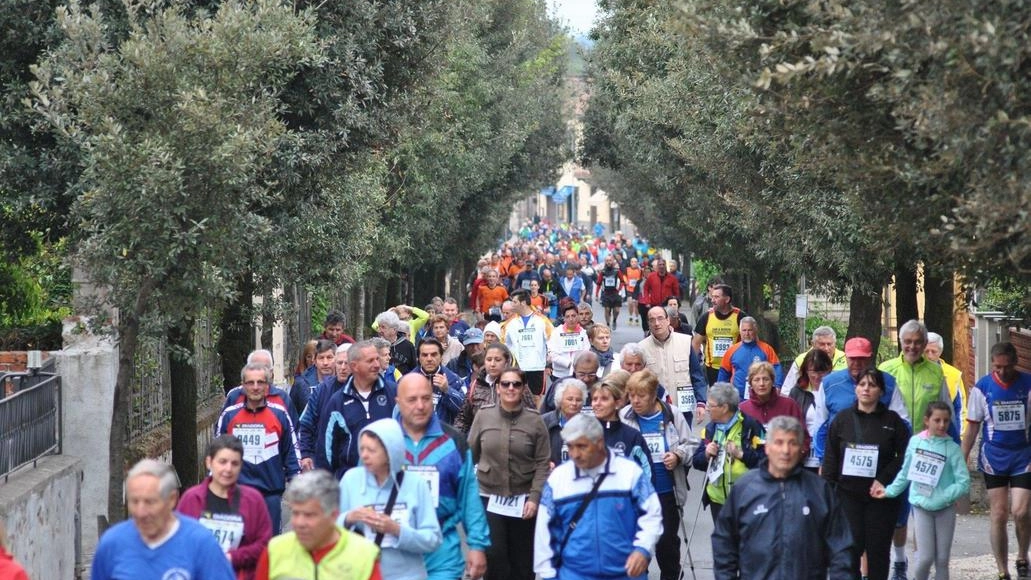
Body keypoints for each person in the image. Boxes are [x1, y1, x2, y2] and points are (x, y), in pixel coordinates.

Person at [712, 416, 854, 579]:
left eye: (792, 443)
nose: (785, 451)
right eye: (779, 443)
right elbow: (724, 542)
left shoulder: (819, 491)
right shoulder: (744, 489)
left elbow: (841, 548)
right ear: (767, 447)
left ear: (801, 448)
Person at [533, 414, 662, 580]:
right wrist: (548, 575)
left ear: (599, 442)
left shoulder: (630, 473)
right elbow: (545, 531)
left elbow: (652, 513)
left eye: (581, 446)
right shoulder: (558, 479)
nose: (575, 454)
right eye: (570, 447)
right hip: (573, 574)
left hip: (625, 574)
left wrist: (642, 548)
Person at [879, 319, 960, 579]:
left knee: (925, 512)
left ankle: (922, 567)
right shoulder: (886, 370)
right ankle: (900, 561)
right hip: (895, 453)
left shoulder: (936, 372)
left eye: (917, 342)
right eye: (908, 342)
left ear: (925, 344)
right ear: (900, 343)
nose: (912, 346)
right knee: (898, 513)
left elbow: (947, 415)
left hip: (928, 453)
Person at [395, 374, 491, 580]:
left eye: (426, 398)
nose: (420, 406)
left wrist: (476, 545)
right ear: (398, 402)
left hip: (442, 550)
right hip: (395, 550)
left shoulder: (453, 441)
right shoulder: (382, 441)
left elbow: (469, 498)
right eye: (412, 399)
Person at [822, 369, 910, 580]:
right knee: (850, 551)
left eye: (872, 385)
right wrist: (827, 493)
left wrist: (884, 479)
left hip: (880, 497)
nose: (866, 389)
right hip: (848, 495)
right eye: (862, 384)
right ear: (856, 389)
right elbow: (831, 458)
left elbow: (906, 454)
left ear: (881, 391)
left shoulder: (893, 420)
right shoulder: (842, 419)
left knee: (878, 551)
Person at [468, 367, 551, 580]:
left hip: (524, 501)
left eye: (516, 384)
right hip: (489, 497)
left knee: (522, 562)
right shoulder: (484, 417)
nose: (511, 388)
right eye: (505, 384)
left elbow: (542, 463)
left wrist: (534, 498)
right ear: (498, 387)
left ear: (523, 388)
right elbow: (471, 457)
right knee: (495, 557)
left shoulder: (535, 421)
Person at [874, 401, 970, 580]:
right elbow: (905, 472)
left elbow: (963, 481)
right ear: (927, 420)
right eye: (937, 420)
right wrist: (889, 491)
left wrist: (945, 496)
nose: (942, 425)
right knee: (925, 558)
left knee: (942, 559)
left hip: (945, 508)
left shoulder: (953, 449)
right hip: (921, 505)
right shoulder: (915, 442)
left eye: (946, 421)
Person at [91, 460, 234, 580]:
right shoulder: (111, 544)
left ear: (171, 500)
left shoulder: (201, 543)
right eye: (134, 501)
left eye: (150, 502)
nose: (141, 512)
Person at [338, 419, 442, 579]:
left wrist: (397, 530)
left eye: (371, 450)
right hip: (361, 573)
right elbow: (329, 531)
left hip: (408, 575)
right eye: (362, 449)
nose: (364, 455)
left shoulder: (416, 484)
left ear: (390, 452)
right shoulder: (350, 479)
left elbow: (432, 539)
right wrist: (349, 518)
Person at [962, 341, 1031, 580]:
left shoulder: (1028, 384)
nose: (1002, 371)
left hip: (1023, 455)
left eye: (1007, 367)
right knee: (999, 514)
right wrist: (962, 458)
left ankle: (1023, 555)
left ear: (1015, 362)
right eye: (998, 367)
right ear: (993, 364)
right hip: (994, 456)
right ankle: (1002, 569)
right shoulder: (982, 387)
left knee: (1020, 511)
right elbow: (971, 428)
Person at [619, 369, 695, 580]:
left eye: (641, 395)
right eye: (632, 395)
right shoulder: (623, 417)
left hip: (665, 491)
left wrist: (678, 455)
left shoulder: (672, 414)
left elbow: (690, 444)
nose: (635, 400)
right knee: (636, 542)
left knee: (666, 543)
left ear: (653, 395)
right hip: (634, 493)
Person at [215, 363, 301, 535]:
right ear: (243, 385)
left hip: (270, 495)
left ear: (267, 385)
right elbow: (216, 456)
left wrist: (297, 488)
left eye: (260, 382)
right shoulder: (229, 415)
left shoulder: (280, 414)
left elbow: (291, 452)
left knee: (269, 550)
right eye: (250, 383)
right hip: (236, 495)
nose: (255, 387)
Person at [255, 470, 382, 580]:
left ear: (333, 515)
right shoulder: (275, 550)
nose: (300, 523)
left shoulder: (364, 554)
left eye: (309, 515)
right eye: (296, 513)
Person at [179, 435, 273, 580]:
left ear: (241, 466)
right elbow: (178, 542)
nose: (228, 469)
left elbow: (264, 544)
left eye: (234, 463)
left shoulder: (253, 501)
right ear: (209, 462)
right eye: (222, 462)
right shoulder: (191, 499)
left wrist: (231, 557)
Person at [813, 337, 910, 462]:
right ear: (845, 357)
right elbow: (821, 423)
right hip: (839, 458)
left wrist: (902, 461)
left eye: (862, 358)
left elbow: (903, 423)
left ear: (870, 357)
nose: (857, 363)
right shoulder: (829, 383)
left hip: (880, 459)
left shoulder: (888, 383)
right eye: (852, 358)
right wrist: (822, 459)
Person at [691, 383, 765, 523]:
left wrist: (742, 455)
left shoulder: (751, 426)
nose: (707, 409)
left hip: (746, 500)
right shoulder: (710, 429)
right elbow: (696, 462)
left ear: (724, 407)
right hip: (717, 500)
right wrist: (706, 454)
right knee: (724, 543)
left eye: (711, 405)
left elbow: (766, 462)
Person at [323, 340, 398, 478]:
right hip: (351, 484)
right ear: (354, 366)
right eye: (370, 361)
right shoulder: (338, 402)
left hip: (390, 481)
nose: (377, 365)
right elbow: (326, 452)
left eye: (377, 359)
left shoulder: (394, 393)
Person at [638, 305, 707, 426]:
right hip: (655, 410)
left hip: (682, 410)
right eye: (652, 320)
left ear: (668, 320)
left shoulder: (685, 342)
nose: (657, 323)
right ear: (648, 323)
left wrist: (701, 402)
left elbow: (697, 376)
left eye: (660, 318)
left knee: (684, 444)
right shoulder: (641, 348)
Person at [454, 343, 533, 432]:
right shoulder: (476, 385)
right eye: (489, 359)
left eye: (498, 360)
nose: (492, 364)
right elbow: (463, 419)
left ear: (506, 362)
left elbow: (531, 419)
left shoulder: (518, 385)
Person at [297, 344, 351, 472]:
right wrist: (305, 454)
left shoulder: (365, 390)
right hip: (324, 465)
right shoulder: (322, 390)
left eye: (347, 363)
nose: (342, 368)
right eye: (339, 363)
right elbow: (306, 424)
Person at [591, 370, 653, 479]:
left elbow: (647, 474)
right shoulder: (584, 435)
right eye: (594, 399)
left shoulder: (633, 436)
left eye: (604, 399)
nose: (597, 403)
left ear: (617, 403)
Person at [788, 348, 834, 471]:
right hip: (803, 452)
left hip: (828, 451)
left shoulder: (834, 390)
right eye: (813, 371)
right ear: (805, 371)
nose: (817, 376)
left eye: (822, 371)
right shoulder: (797, 392)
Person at [501, 289, 554, 397]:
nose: (511, 305)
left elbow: (552, 341)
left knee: (536, 398)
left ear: (523, 303)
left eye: (514, 302)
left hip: (537, 367)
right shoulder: (510, 324)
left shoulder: (542, 321)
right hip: (518, 368)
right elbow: (504, 345)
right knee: (517, 398)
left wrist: (549, 363)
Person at [692, 283, 746, 385]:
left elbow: (749, 341)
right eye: (712, 297)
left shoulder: (740, 317)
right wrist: (693, 366)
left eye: (716, 297)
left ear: (727, 299)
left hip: (735, 367)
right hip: (712, 368)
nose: (712, 300)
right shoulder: (706, 316)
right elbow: (695, 343)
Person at [717, 317, 782, 398]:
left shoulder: (766, 349)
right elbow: (724, 372)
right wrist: (721, 393)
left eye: (750, 330)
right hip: (738, 398)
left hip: (762, 396)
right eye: (744, 330)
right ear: (740, 332)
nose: (747, 333)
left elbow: (776, 367)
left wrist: (777, 386)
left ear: (755, 330)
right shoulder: (732, 350)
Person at [740, 361, 805, 439]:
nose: (761, 384)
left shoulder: (789, 405)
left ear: (772, 381)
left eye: (766, 379)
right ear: (750, 384)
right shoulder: (742, 409)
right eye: (757, 380)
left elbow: (802, 436)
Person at [410, 338, 466, 425]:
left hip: (444, 435)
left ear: (441, 357)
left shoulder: (454, 380)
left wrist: (447, 391)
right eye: (425, 355)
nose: (429, 359)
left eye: (434, 355)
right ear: (419, 358)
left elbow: (465, 411)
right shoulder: (408, 381)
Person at [781, 325, 847, 395]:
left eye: (829, 344)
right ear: (813, 344)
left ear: (835, 343)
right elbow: (786, 390)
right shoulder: (802, 360)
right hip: (808, 402)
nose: (826, 348)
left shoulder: (845, 358)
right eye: (822, 344)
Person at [926, 331, 967, 435]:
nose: (929, 356)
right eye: (926, 351)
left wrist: (960, 438)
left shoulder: (953, 375)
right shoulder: (912, 373)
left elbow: (960, 410)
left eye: (933, 351)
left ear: (940, 352)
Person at [542, 378, 590, 467]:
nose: (574, 403)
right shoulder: (544, 422)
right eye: (570, 399)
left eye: (578, 400)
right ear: (560, 400)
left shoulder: (590, 425)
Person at [291, 339, 337, 414]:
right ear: (315, 361)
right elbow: (292, 415)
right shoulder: (301, 384)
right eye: (321, 358)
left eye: (329, 357)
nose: (325, 363)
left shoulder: (345, 383)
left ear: (336, 359)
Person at [547, 301, 590, 381]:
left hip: (578, 374)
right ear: (564, 318)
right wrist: (569, 364)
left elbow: (586, 352)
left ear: (577, 316)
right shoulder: (556, 332)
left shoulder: (583, 333)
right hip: (559, 375)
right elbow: (552, 354)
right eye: (568, 316)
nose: (571, 319)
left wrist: (578, 365)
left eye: (573, 316)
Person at [638, 257, 679, 334]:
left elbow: (676, 292)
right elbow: (645, 289)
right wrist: (647, 301)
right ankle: (651, 334)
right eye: (659, 264)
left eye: (663, 264)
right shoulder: (651, 277)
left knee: (666, 322)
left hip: (667, 305)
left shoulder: (672, 278)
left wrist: (676, 304)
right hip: (654, 304)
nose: (661, 266)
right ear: (657, 266)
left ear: (665, 266)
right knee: (654, 321)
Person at [377, 311, 418, 375]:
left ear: (394, 330)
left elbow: (414, 370)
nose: (379, 330)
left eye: (383, 327)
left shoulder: (408, 346)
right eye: (378, 327)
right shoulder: (375, 345)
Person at [595, 255, 626, 328]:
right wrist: (596, 294)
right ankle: (608, 324)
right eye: (607, 261)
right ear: (605, 262)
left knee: (617, 310)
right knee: (607, 309)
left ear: (613, 261)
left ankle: (614, 320)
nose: (609, 262)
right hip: (606, 293)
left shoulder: (616, 271)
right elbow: (599, 283)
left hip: (615, 293)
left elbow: (622, 281)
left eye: (610, 260)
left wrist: (619, 289)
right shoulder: (603, 272)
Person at [624, 257, 643, 326]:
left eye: (635, 262)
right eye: (632, 262)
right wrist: (626, 281)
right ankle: (630, 316)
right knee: (630, 303)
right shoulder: (627, 269)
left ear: (637, 263)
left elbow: (642, 278)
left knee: (636, 304)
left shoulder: (640, 270)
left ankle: (637, 318)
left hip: (637, 289)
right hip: (629, 289)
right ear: (630, 263)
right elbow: (624, 276)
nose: (634, 263)